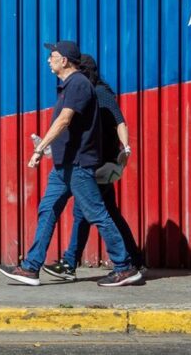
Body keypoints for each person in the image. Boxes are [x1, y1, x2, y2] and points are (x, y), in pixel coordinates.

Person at [0, 41, 142, 287]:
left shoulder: (78, 84)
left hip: (77, 164)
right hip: (64, 165)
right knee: (48, 210)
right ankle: (31, 268)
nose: (48, 60)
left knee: (97, 213)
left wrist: (41, 148)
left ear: (64, 60)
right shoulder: (69, 86)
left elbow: (65, 120)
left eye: (52, 56)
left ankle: (125, 266)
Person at [42, 54, 143, 281]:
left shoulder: (98, 92)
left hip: (101, 163)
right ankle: (131, 260)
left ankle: (77, 263)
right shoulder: (86, 91)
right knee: (101, 213)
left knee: (92, 213)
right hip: (95, 161)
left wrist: (125, 149)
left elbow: (119, 121)